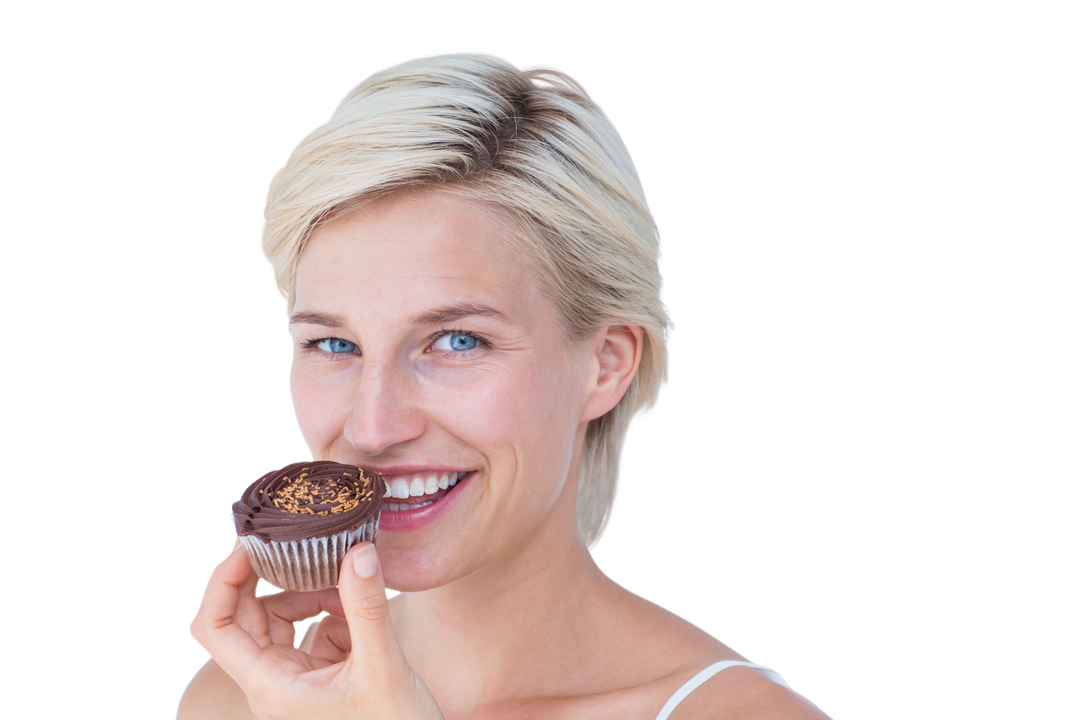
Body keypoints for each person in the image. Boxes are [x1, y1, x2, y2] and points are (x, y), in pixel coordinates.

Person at [180, 49, 832, 719]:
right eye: (334, 344)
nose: (371, 428)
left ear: (606, 364)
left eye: (458, 340)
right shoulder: (242, 699)